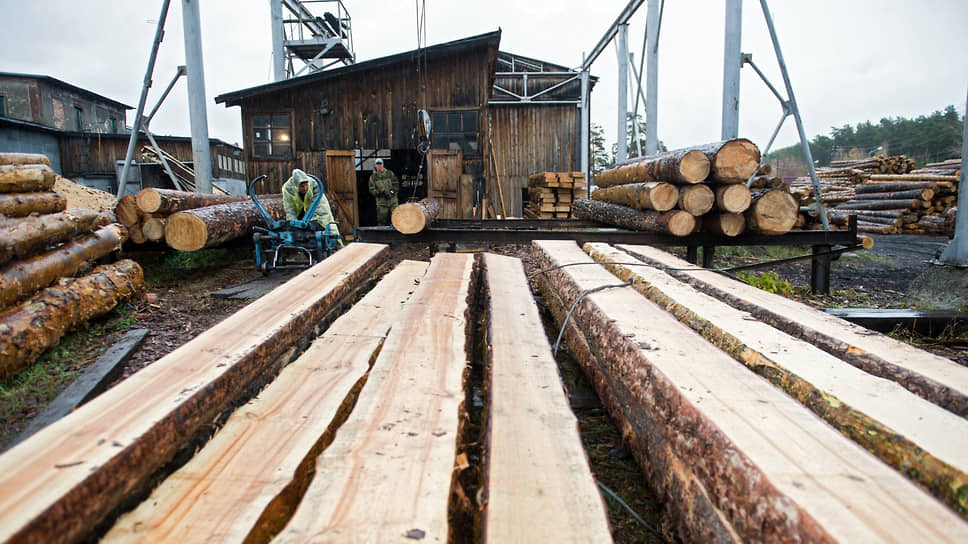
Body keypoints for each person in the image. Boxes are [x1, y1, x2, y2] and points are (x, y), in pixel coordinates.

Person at [281, 168, 343, 245]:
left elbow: (319, 207)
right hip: (300, 211)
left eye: (306, 185)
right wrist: (292, 224)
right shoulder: (288, 188)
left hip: (316, 210)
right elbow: (290, 208)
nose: (305, 188)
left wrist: (313, 222)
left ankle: (333, 246)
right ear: (295, 186)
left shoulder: (314, 184)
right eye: (302, 186)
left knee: (324, 224)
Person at [368, 158, 399, 225]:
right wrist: (380, 192)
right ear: (375, 165)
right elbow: (372, 190)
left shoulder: (390, 173)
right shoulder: (373, 177)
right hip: (381, 203)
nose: (379, 166)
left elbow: (396, 184)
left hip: (393, 201)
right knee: (381, 221)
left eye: (380, 164)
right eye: (377, 164)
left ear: (383, 165)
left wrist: (391, 192)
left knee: (397, 218)